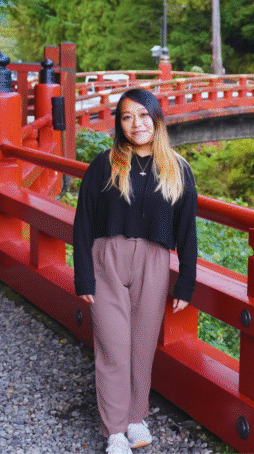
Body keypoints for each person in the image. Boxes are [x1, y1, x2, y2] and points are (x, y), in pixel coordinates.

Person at [73, 88, 198, 454]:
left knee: (142, 345)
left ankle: (135, 418)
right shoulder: (104, 164)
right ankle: (114, 429)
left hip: (154, 262)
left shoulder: (177, 168)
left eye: (143, 115)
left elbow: (187, 231)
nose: (136, 124)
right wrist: (83, 274)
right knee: (113, 346)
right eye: (127, 117)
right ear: (119, 123)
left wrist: (186, 281)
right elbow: (82, 223)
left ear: (157, 118)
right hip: (107, 258)